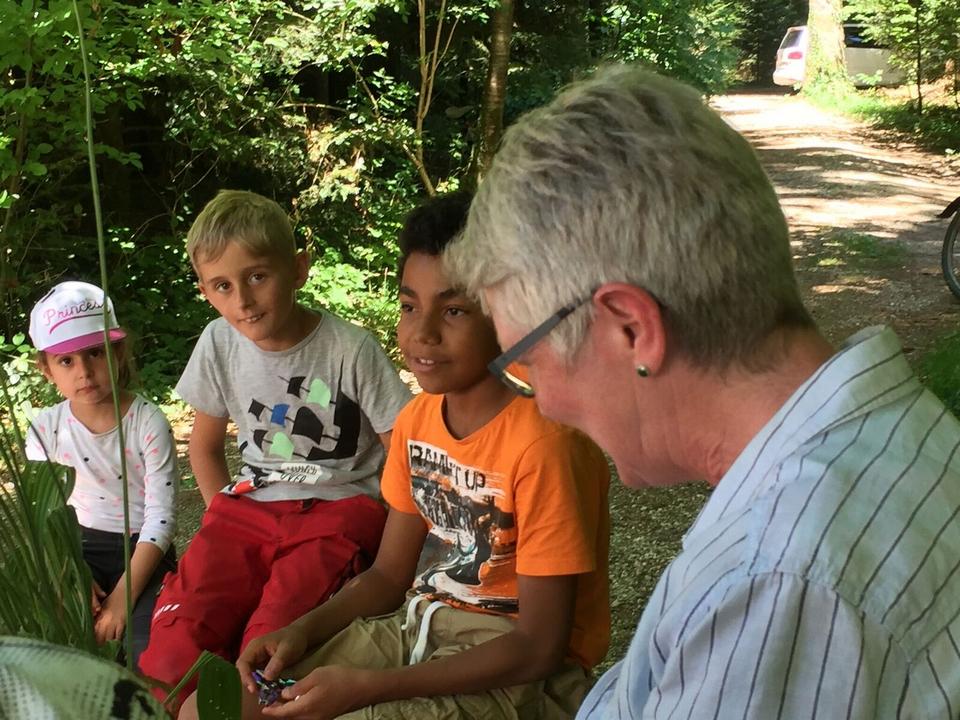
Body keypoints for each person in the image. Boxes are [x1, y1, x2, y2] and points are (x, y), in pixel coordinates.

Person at [445, 65, 960, 718]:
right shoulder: (890, 429)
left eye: (528, 362)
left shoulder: (774, 581)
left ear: (633, 329)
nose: (541, 402)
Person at [183, 192, 611, 720]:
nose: (422, 333)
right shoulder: (417, 421)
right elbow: (388, 576)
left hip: (511, 666)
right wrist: (300, 631)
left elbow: (539, 646)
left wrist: (370, 689)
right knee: (216, 709)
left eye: (453, 310)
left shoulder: (547, 445)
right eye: (409, 307)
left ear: (511, 315)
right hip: (415, 627)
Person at [138, 190, 411, 709]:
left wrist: (394, 549)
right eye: (223, 285)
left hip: (339, 508)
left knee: (271, 647)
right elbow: (204, 447)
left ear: (299, 269)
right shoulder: (219, 342)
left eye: (257, 276)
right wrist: (221, 514)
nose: (242, 300)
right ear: (205, 291)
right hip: (250, 506)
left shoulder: (350, 349)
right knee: (175, 645)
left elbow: (402, 452)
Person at [25, 281, 178, 669]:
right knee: (65, 648)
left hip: (143, 550)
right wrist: (71, 573)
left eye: (95, 352)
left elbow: (161, 518)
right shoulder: (45, 430)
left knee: (148, 653)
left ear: (118, 352)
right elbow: (44, 518)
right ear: (46, 369)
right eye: (66, 361)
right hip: (76, 550)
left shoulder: (147, 422)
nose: (85, 372)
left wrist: (121, 600)